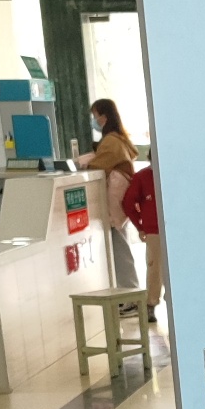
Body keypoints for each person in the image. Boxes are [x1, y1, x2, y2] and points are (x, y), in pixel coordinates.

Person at [77, 97, 140, 291]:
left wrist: (84, 163)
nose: (94, 120)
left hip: (113, 199)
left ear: (103, 117)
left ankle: (128, 291)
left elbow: (99, 165)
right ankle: (127, 291)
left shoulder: (111, 141)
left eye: (95, 115)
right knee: (119, 242)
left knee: (119, 246)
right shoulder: (118, 138)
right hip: (120, 199)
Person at [120, 159, 164, 323]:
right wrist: (140, 225)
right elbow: (128, 203)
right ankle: (151, 303)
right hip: (154, 230)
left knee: (174, 268)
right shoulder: (142, 177)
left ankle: (176, 302)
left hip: (176, 229)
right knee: (155, 267)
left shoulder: (175, 173)